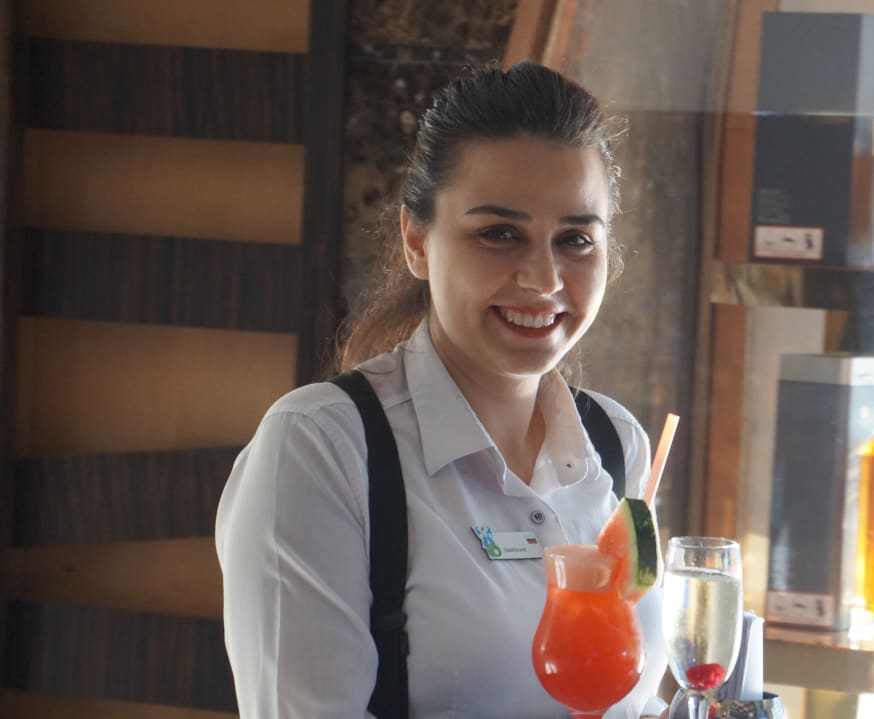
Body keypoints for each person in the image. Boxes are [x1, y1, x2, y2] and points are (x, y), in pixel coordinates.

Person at [216, 61, 667, 719]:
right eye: (499, 234)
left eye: (575, 239)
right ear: (417, 241)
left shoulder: (619, 444)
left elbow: (634, 700)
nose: (544, 279)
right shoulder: (321, 449)